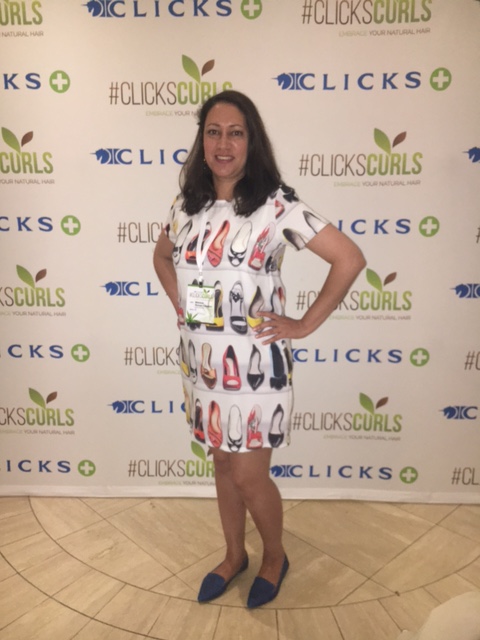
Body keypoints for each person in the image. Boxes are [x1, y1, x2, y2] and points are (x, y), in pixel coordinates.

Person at [153, 90, 366, 608]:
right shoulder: (187, 204)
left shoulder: (276, 206)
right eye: (213, 132)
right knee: (223, 465)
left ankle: (274, 557)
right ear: (202, 141)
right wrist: (184, 304)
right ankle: (234, 555)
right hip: (203, 363)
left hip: (255, 367)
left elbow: (349, 259)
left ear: (252, 141)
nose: (223, 143)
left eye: (236, 132)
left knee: (249, 475)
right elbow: (162, 257)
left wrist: (303, 324)